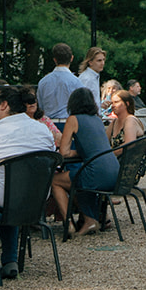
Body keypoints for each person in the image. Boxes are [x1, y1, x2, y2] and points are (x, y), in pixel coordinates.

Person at [0, 85, 57, 281]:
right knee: (10, 192)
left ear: (3, 105)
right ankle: (10, 261)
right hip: (36, 205)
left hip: (1, 204)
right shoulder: (43, 129)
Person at [54, 87, 119, 235]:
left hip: (97, 174)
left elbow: (63, 152)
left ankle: (68, 224)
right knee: (76, 179)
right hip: (115, 173)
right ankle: (89, 219)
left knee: (55, 181)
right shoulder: (97, 119)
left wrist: (75, 151)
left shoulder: (73, 119)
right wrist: (84, 151)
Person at [37, 43, 83, 124]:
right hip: (68, 123)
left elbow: (40, 106)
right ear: (71, 58)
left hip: (48, 124)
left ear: (55, 59)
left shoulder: (43, 82)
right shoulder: (76, 82)